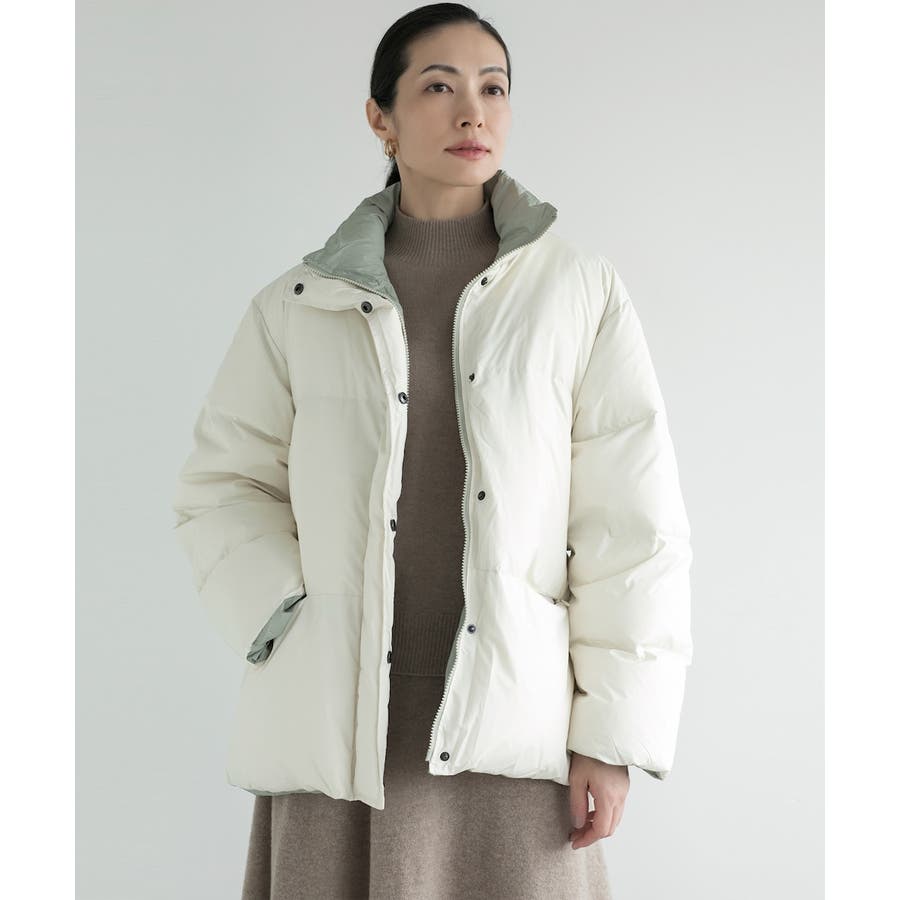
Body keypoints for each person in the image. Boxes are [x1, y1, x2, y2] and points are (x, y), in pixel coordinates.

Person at [172, 4, 693, 898]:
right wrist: (290, 620)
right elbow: (221, 488)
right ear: (380, 117)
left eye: (494, 88)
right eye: (439, 86)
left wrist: (610, 736)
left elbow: (633, 526)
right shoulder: (298, 304)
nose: (473, 112)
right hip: (340, 729)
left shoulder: (579, 293)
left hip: (515, 724)